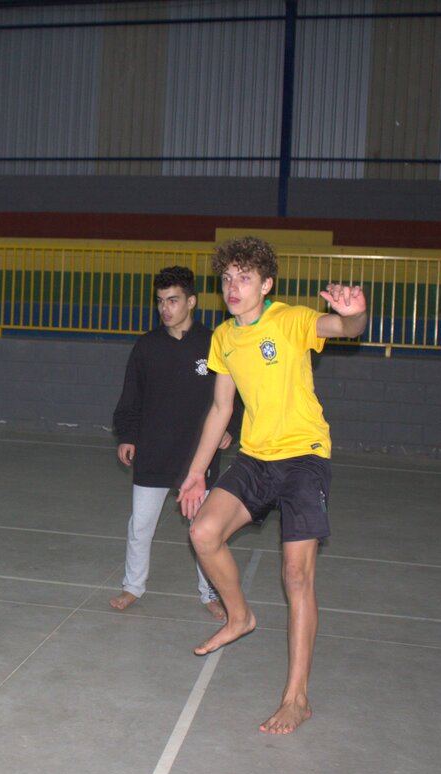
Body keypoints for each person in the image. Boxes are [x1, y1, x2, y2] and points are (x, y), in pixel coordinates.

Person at [176, 236, 366, 736]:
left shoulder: (289, 320)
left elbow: (340, 327)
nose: (233, 287)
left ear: (266, 284)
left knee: (296, 576)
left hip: (304, 457)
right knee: (203, 532)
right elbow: (222, 409)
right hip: (256, 457)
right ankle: (239, 616)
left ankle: (296, 698)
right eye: (227, 278)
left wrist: (354, 316)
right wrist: (196, 472)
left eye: (245, 278)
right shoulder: (223, 337)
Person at [110, 266, 231, 620]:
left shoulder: (214, 344)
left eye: (173, 300)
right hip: (153, 452)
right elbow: (131, 396)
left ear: (191, 302)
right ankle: (133, 587)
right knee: (140, 526)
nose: (165, 308)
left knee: (203, 531)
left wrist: (231, 428)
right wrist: (127, 435)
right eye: (161, 301)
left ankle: (210, 592)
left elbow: (235, 394)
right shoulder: (146, 347)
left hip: (198, 456)